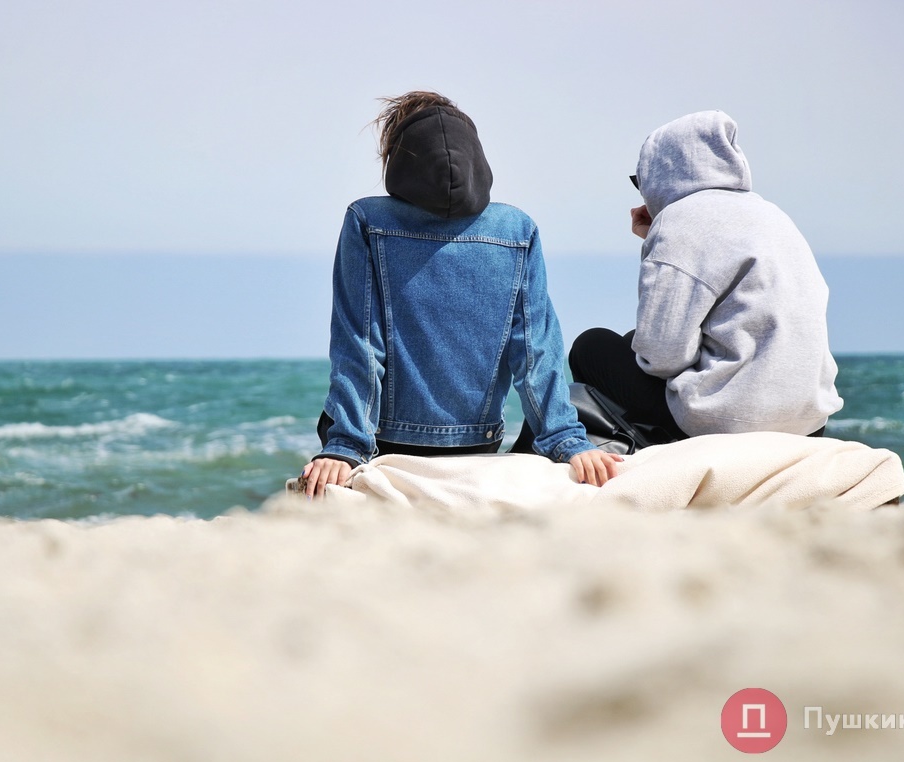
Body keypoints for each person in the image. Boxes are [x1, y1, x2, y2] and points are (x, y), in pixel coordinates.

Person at [301, 92, 621, 498]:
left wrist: (346, 447)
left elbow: (361, 344)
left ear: (399, 158)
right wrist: (566, 440)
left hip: (386, 441)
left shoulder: (368, 220)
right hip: (477, 445)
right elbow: (535, 352)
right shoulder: (516, 229)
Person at [569, 110, 843, 442]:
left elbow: (662, 355)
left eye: (641, 180)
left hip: (729, 418)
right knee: (630, 342)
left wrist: (660, 237)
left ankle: (654, 453)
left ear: (660, 173)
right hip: (810, 421)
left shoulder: (681, 220)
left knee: (591, 346)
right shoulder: (772, 214)